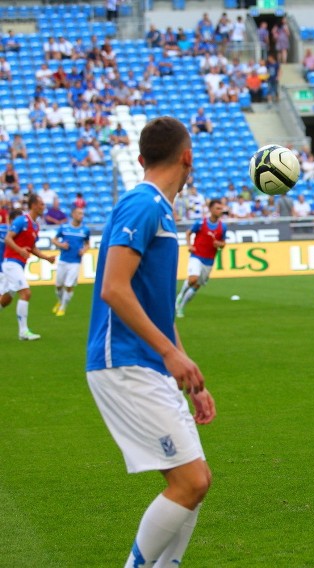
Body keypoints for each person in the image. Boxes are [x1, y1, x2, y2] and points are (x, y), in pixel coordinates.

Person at [85, 116, 215, 567]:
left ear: (142, 158)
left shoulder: (159, 209)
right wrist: (168, 353)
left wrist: (186, 369)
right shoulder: (143, 205)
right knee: (190, 482)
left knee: (197, 481)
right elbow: (113, 288)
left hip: (150, 363)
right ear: (187, 157)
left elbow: (154, 304)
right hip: (123, 361)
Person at [2, 194, 56, 339]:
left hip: (18, 264)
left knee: (5, 300)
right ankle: (23, 332)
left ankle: (23, 331)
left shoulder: (36, 226)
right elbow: (8, 238)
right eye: (41, 204)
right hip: (11, 263)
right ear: (34, 205)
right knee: (26, 293)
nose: (44, 207)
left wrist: (47, 258)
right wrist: (19, 250)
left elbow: (32, 247)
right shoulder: (21, 220)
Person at [176, 198, 227, 318]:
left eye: (221, 209)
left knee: (196, 286)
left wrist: (219, 244)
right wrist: (189, 245)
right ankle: (180, 296)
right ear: (210, 209)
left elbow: (223, 243)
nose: (220, 211)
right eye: (217, 208)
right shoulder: (200, 223)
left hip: (209, 260)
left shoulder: (222, 227)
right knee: (193, 279)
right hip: (196, 256)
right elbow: (188, 233)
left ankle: (181, 307)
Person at [50, 207, 90, 316]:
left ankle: (63, 307)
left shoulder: (85, 230)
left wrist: (84, 250)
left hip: (75, 262)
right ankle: (60, 301)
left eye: (82, 214)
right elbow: (54, 239)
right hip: (63, 260)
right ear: (73, 214)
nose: (81, 216)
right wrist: (61, 245)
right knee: (58, 285)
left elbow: (87, 244)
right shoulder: (64, 228)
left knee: (68, 285)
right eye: (79, 213)